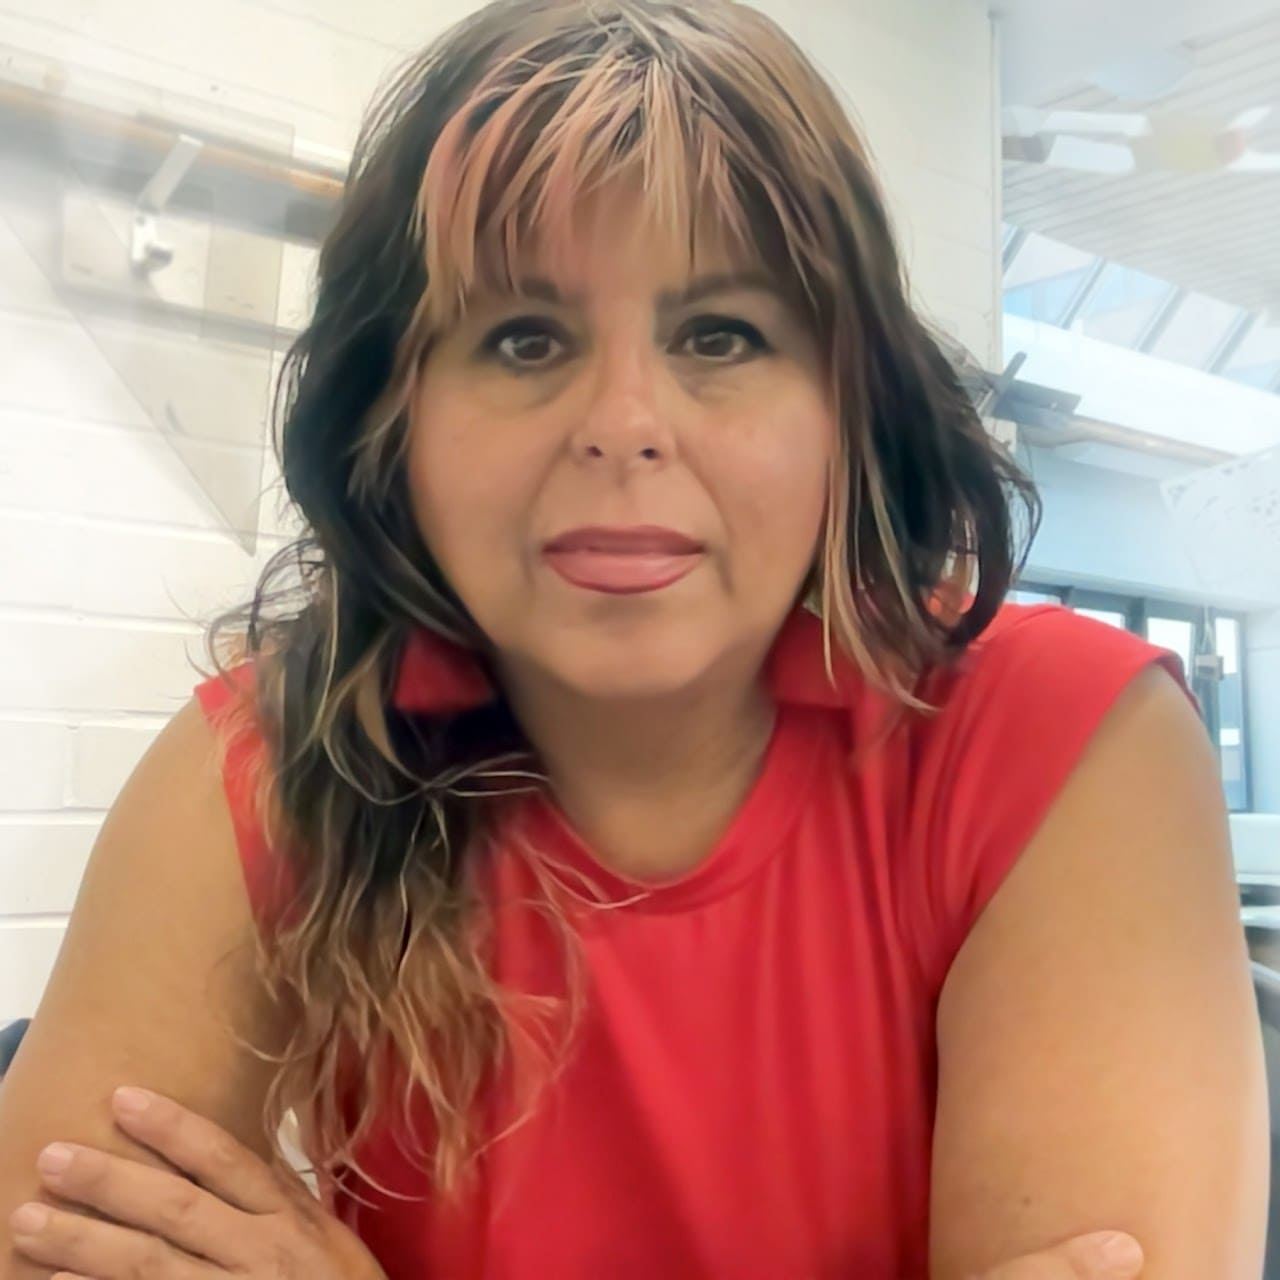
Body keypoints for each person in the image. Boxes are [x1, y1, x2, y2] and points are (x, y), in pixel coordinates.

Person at [0, 1, 1267, 1276]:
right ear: (393, 421)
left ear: (848, 411)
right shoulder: (285, 753)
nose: (622, 423)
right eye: (522, 338)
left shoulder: (1064, 745)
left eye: (720, 335)